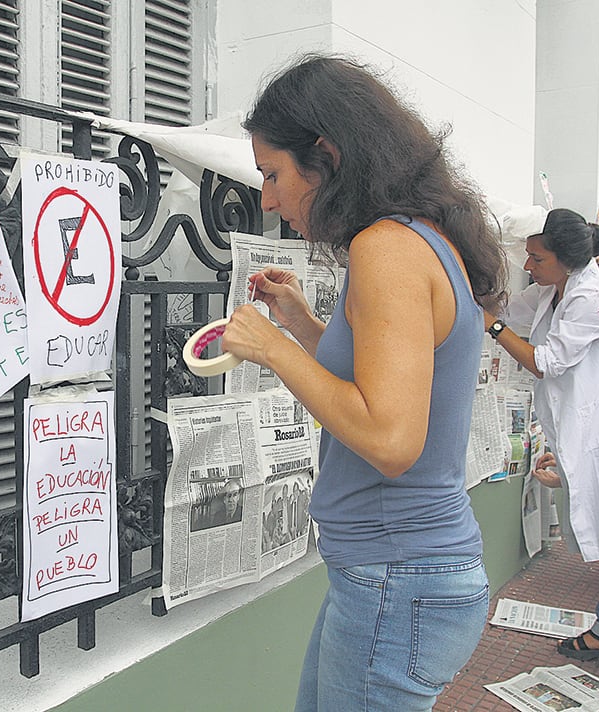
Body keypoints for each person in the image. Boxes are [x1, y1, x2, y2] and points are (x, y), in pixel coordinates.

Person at [220, 53, 508, 711]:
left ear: (325, 155)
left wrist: (271, 350)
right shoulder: (414, 238)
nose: (267, 198)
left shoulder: (389, 249)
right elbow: (377, 386)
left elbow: (389, 437)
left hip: (399, 579)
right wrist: (298, 325)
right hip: (395, 578)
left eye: (273, 175)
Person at [484, 207, 599, 712]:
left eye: (537, 257)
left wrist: (492, 324)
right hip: (596, 437)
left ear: (566, 261)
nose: (529, 262)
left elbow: (547, 362)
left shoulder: (596, 297)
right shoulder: (552, 290)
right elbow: (509, 307)